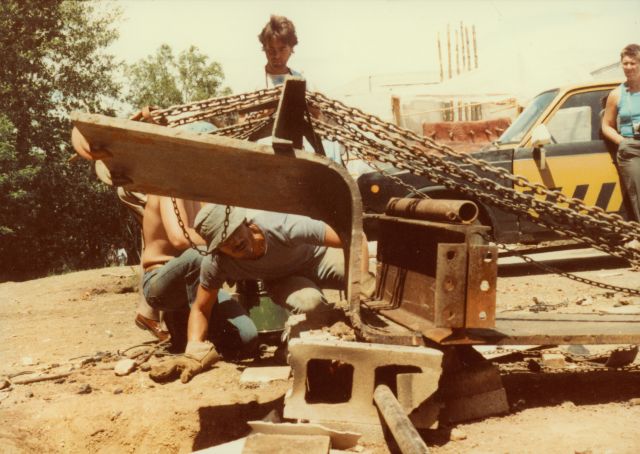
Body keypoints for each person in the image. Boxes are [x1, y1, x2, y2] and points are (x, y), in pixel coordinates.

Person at [152, 204, 374, 383]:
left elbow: (355, 238)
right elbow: (201, 307)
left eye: (235, 232)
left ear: (245, 223)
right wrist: (194, 349)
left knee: (369, 287)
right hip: (284, 280)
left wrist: (360, 284)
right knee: (311, 304)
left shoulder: (280, 225)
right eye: (224, 241)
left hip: (319, 258)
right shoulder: (217, 263)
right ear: (217, 249)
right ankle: (291, 340)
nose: (235, 242)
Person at [602, 43, 640, 225]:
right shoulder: (616, 94)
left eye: (633, 63)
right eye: (625, 63)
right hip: (631, 148)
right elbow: (606, 125)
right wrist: (622, 142)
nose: (629, 68)